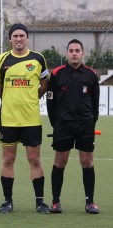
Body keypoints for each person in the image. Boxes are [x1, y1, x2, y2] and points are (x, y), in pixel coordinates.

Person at [0, 23, 50, 213]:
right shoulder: (1, 59)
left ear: (27, 38)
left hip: (31, 119)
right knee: (8, 160)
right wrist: (10, 99)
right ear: (10, 39)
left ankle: (40, 202)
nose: (18, 39)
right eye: (15, 36)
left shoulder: (38, 59)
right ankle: (8, 201)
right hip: (8, 119)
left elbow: (44, 83)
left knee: (35, 160)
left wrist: (31, 98)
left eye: (22, 35)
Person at [47, 39, 100, 214]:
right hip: (63, 125)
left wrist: (91, 121)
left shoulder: (91, 75)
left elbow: (95, 102)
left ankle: (90, 202)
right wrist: (56, 123)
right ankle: (55, 202)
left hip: (85, 124)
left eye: (77, 50)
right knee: (60, 162)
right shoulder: (57, 74)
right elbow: (50, 100)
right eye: (71, 50)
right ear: (67, 53)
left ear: (83, 53)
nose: (74, 53)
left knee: (87, 162)